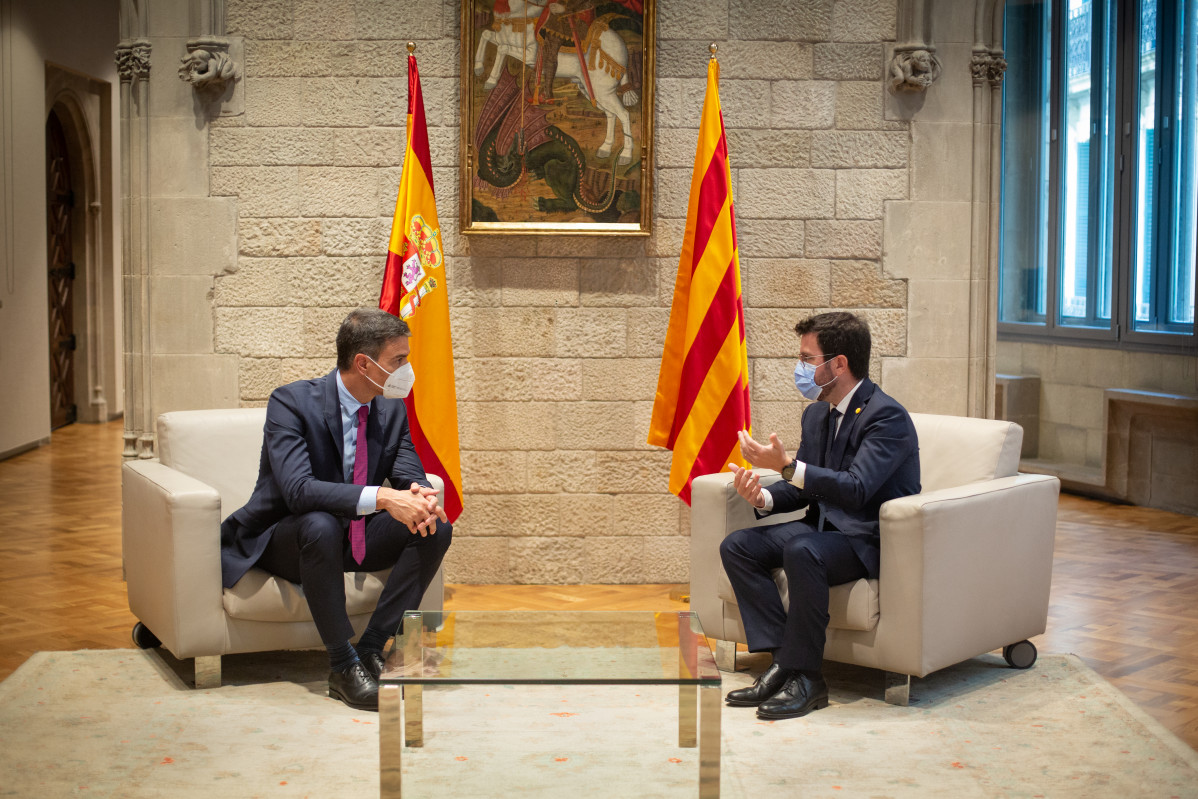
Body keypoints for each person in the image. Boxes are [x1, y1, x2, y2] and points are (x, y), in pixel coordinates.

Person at [220, 308, 452, 712]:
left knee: (434, 527)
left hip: (351, 536)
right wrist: (382, 499)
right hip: (287, 537)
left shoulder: (390, 409)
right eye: (399, 360)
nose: (406, 369)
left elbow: (407, 471)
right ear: (365, 363)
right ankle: (342, 667)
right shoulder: (291, 403)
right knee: (320, 524)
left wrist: (421, 498)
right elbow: (298, 491)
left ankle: (372, 648)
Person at [720, 311, 920, 720]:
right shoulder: (816, 414)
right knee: (738, 547)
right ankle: (784, 662)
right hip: (823, 529)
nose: (801, 368)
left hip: (866, 537)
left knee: (802, 548)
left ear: (839, 364)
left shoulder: (887, 417)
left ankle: (810, 680)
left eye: (808, 359)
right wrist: (762, 498)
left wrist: (788, 467)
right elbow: (808, 486)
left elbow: (856, 488)